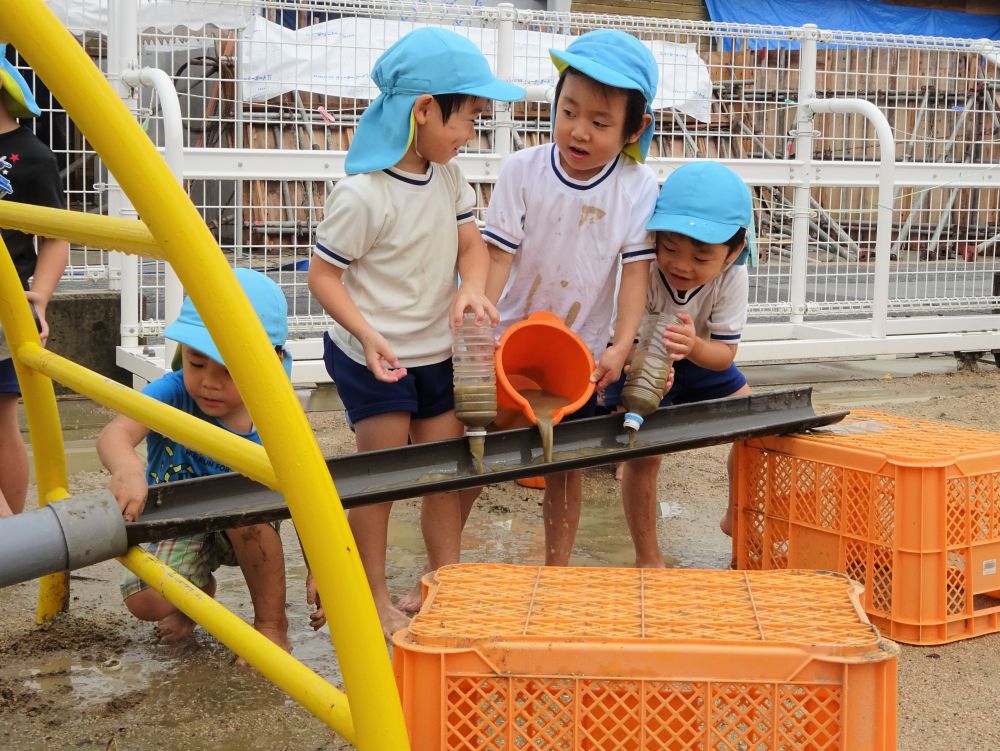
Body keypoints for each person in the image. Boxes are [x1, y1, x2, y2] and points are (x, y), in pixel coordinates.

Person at [307, 28, 524, 637]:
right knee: (380, 471)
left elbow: (470, 246)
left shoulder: (449, 179)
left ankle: (446, 580)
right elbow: (323, 277)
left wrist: (472, 288)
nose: (471, 132)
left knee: (444, 469)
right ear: (423, 110)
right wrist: (367, 334)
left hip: (436, 347)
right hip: (372, 352)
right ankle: (368, 591)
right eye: (468, 118)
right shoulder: (363, 194)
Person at [483, 29, 659, 566]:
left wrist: (621, 345)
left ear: (635, 128)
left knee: (565, 467)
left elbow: (634, 276)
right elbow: (497, 258)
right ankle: (440, 567)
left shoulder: (637, 186)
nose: (578, 131)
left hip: (579, 353)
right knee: (473, 449)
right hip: (506, 339)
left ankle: (555, 570)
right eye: (568, 111)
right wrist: (479, 330)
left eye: (601, 123)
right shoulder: (523, 170)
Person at [98, 269, 294, 653]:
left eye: (229, 370)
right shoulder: (173, 391)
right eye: (197, 362)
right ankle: (197, 593)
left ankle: (271, 625)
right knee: (145, 600)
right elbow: (116, 433)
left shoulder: (277, 414)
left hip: (248, 524)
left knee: (247, 517)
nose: (208, 382)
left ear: (268, 362)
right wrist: (127, 467)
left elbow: (311, 492)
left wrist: (319, 569)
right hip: (181, 519)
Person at [616, 161, 755, 566]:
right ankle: (648, 555)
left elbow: (724, 355)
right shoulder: (641, 264)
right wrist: (638, 367)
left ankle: (736, 512)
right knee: (645, 452)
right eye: (670, 248)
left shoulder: (733, 278)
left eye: (701, 256)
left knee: (753, 426)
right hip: (643, 360)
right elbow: (623, 340)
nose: (681, 265)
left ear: (732, 254)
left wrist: (693, 346)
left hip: (700, 357)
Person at [0, 46, 68, 519]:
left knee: (3, 419)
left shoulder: (32, 157)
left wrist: (40, 296)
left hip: (4, 307)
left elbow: (56, 236)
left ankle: (12, 537)